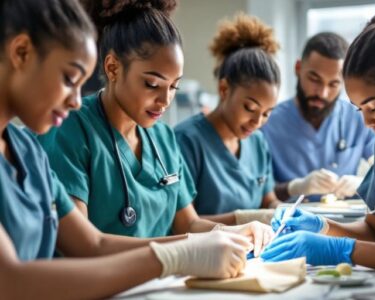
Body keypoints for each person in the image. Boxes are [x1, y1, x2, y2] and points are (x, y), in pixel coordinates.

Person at [0, 0, 259, 298]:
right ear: (20, 52)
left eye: (173, 87)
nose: (74, 101)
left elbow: (92, 243)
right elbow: (10, 281)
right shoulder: (70, 130)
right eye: (70, 79)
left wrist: (201, 242)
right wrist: (174, 256)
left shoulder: (27, 150)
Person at [260, 0, 375, 272]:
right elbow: (374, 231)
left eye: (373, 107)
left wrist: (343, 250)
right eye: (359, 109)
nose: (366, 121)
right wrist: (322, 226)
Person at [174, 14, 281, 226]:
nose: (257, 121)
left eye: (267, 113)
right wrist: (244, 220)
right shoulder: (186, 141)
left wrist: (282, 212)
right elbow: (183, 224)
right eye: (250, 108)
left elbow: (268, 200)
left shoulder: (257, 143)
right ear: (224, 89)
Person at [261, 32, 375, 202]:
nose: (322, 93)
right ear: (298, 69)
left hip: (345, 222)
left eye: (333, 84)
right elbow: (260, 194)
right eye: (314, 79)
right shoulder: (266, 122)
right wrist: (295, 187)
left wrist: (364, 183)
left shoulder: (358, 118)